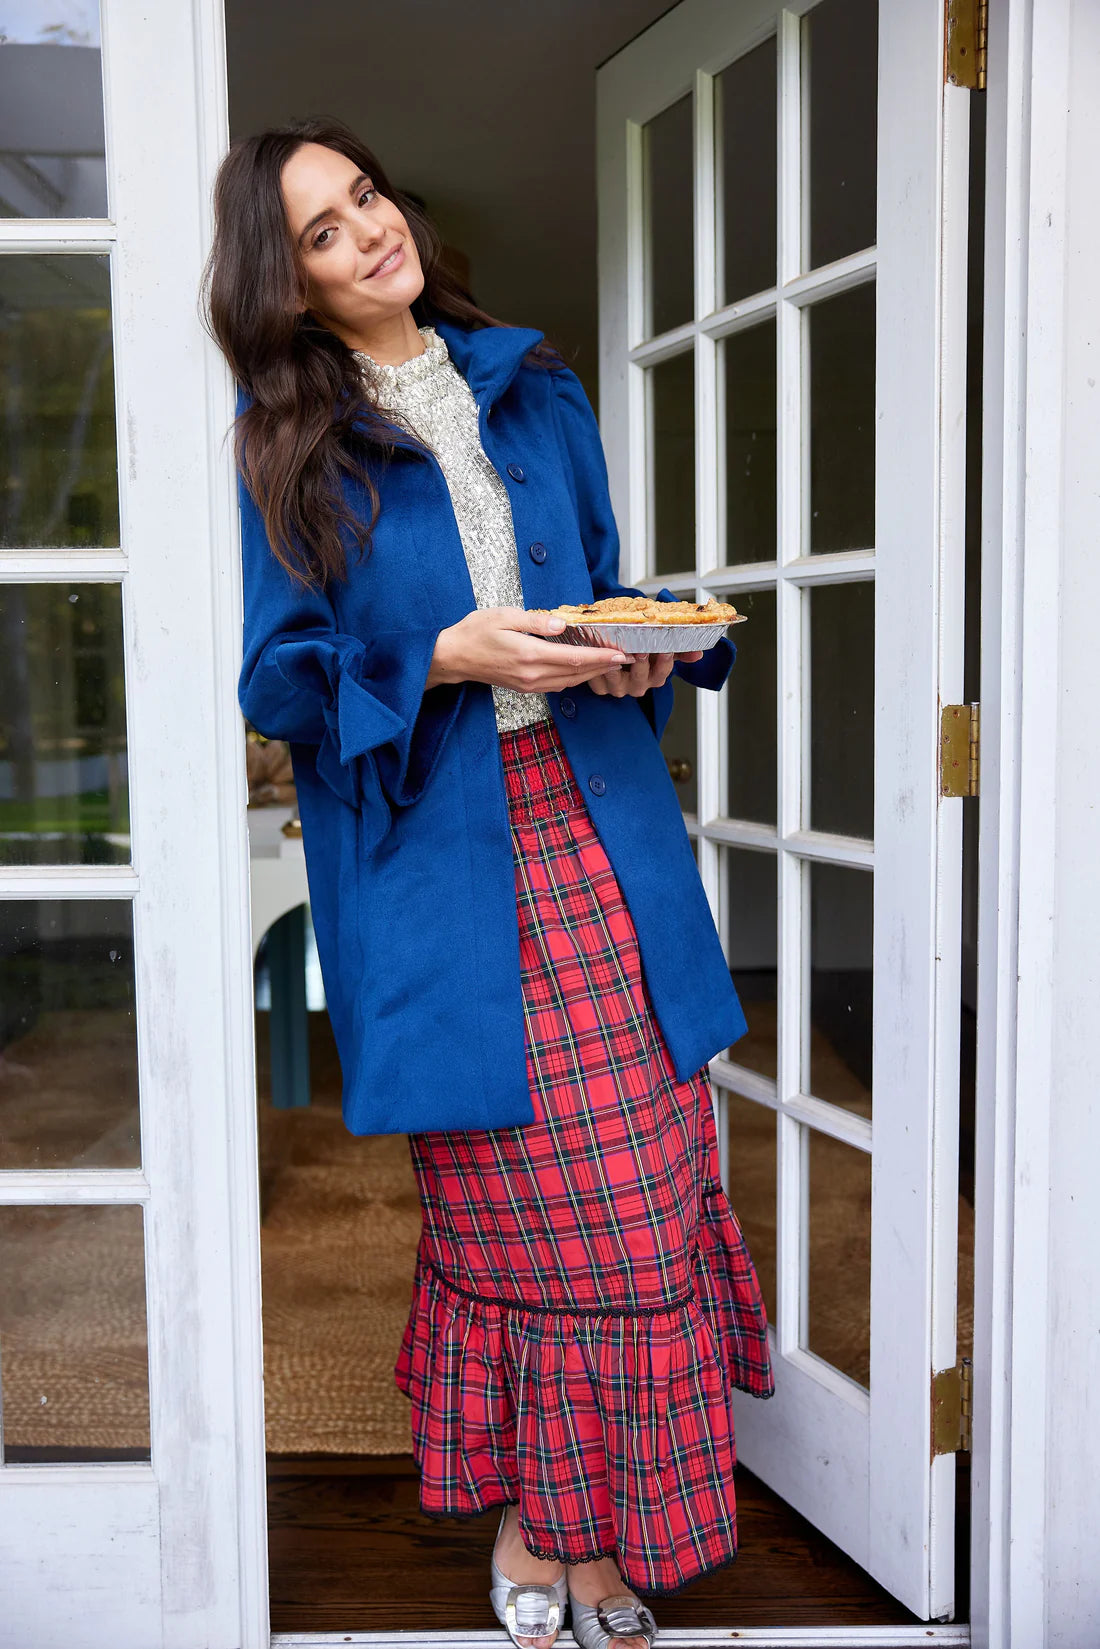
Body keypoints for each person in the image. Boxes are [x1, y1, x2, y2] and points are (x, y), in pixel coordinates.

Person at [202, 116, 773, 1649]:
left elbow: (601, 575)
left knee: (647, 1198)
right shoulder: (289, 446)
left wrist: (644, 639)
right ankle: (547, 1524)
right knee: (522, 1214)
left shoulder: (534, 386)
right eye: (320, 230)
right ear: (293, 284)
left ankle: (593, 1530)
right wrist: (443, 652)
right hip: (437, 867)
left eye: (366, 197)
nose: (364, 233)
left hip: (595, 829)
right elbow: (282, 684)